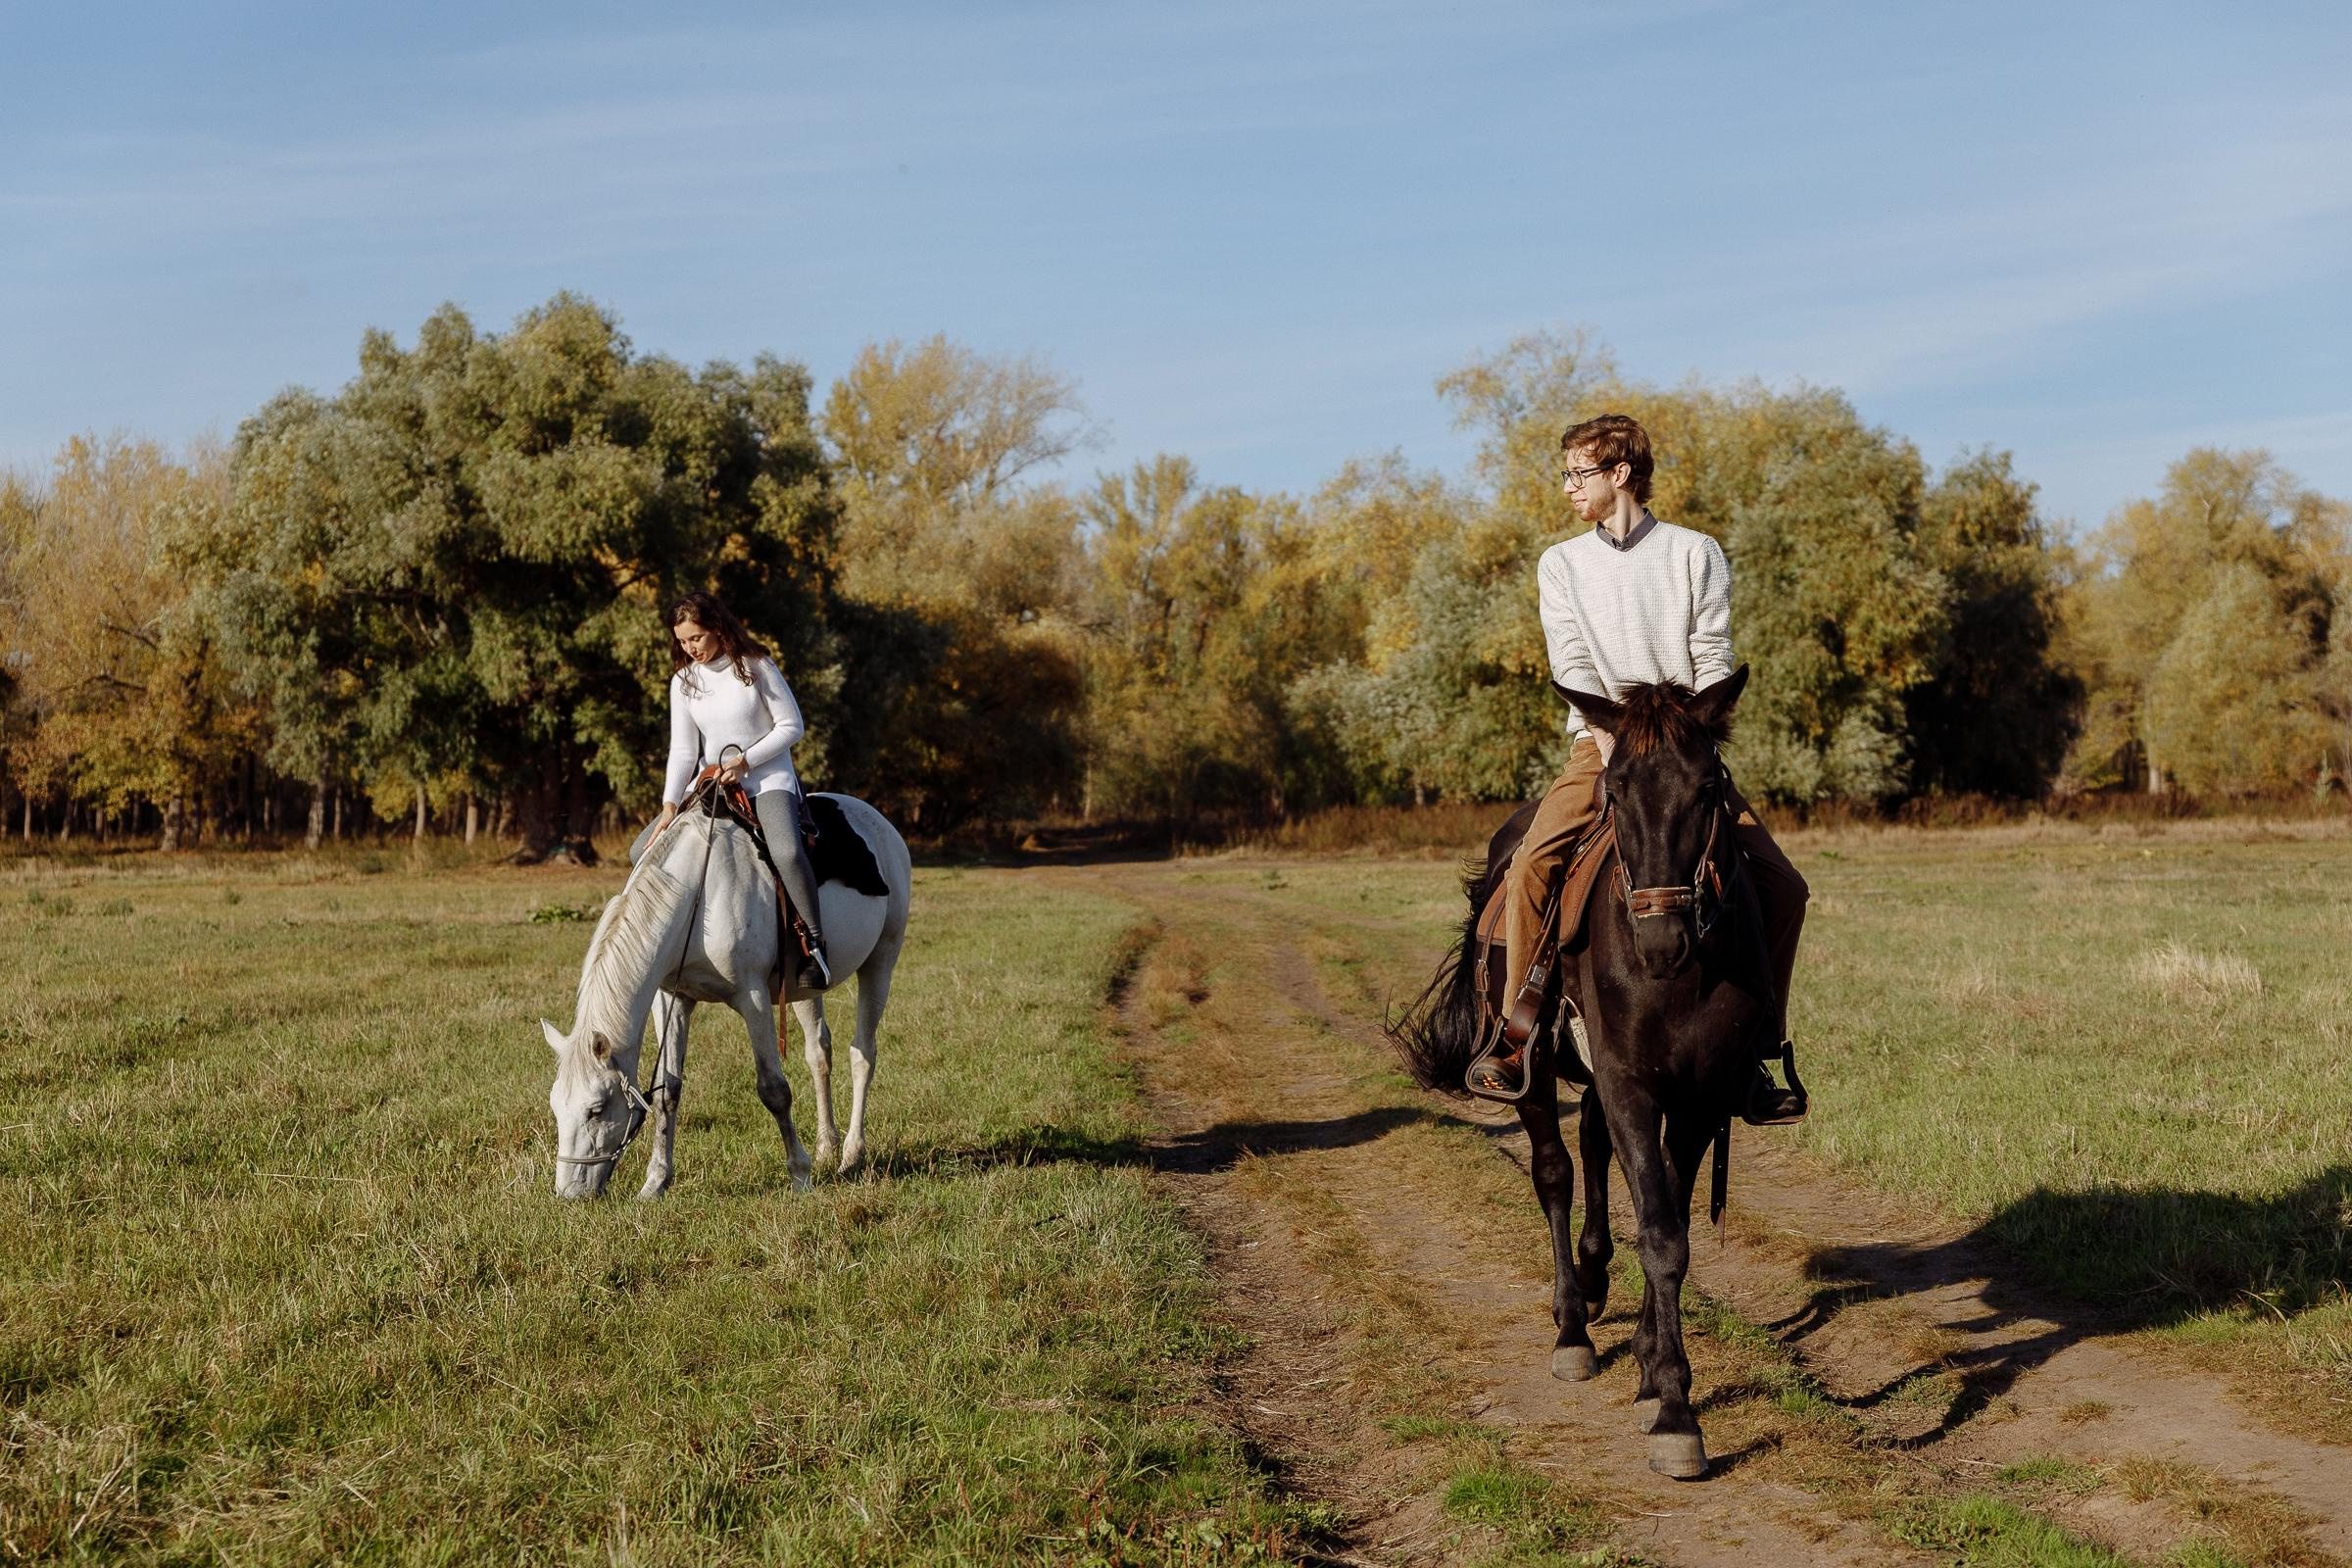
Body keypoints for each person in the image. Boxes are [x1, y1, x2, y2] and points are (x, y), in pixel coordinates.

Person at [1473, 413, 1806, 1123]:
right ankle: (1518, 1032)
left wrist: (1689, 739)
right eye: (1566, 474)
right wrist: (1611, 742)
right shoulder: (1560, 564)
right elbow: (1571, 662)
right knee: (1532, 865)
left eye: (1578, 474)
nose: (1567, 487)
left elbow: (1712, 653)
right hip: (1601, 745)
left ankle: (1760, 1049)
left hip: (1684, 747)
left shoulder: (1696, 553)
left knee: (1785, 887)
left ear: (1619, 474)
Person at [653, 590, 830, 990]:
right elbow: (683, 750)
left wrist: (745, 761)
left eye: (695, 637)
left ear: (717, 627)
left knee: (786, 850)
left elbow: (791, 727)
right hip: (711, 784)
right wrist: (669, 805)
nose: (689, 648)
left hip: (767, 780)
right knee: (640, 850)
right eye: (682, 640)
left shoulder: (756, 666)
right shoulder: (683, 682)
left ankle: (815, 945)